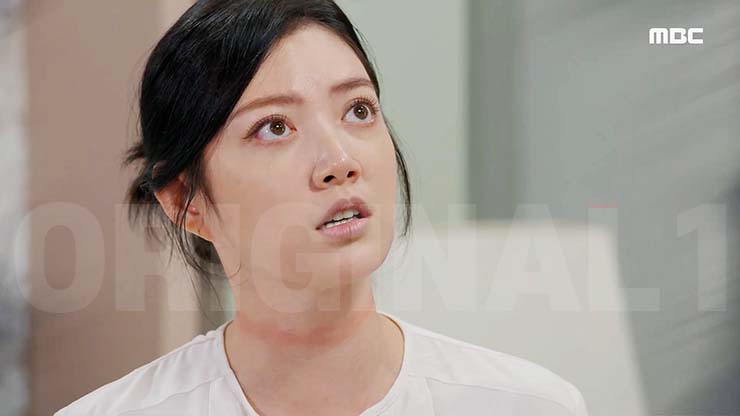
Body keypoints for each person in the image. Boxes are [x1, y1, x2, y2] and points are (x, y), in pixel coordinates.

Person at [55, 0, 588, 414]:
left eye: (358, 110)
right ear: (185, 201)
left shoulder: (527, 406)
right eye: (274, 127)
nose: (339, 161)